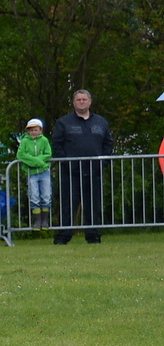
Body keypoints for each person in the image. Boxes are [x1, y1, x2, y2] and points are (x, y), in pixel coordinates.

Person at [51, 90, 112, 244]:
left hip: (94, 172)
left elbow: (108, 144)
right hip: (70, 173)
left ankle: (93, 236)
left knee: (93, 205)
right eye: (78, 100)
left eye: (84, 99)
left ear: (90, 102)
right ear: (73, 103)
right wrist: (67, 163)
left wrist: (103, 162)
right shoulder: (63, 122)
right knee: (68, 206)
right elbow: (57, 145)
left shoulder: (101, 122)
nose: (82, 102)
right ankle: (63, 237)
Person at [16, 119, 52, 231]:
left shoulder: (45, 140)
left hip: (44, 172)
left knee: (46, 196)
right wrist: (36, 162)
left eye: (36, 130)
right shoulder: (25, 141)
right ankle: (37, 221)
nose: (34, 132)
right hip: (31, 173)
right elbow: (21, 155)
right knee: (34, 196)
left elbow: (48, 154)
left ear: (40, 130)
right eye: (31, 130)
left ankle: (45, 221)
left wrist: (38, 161)